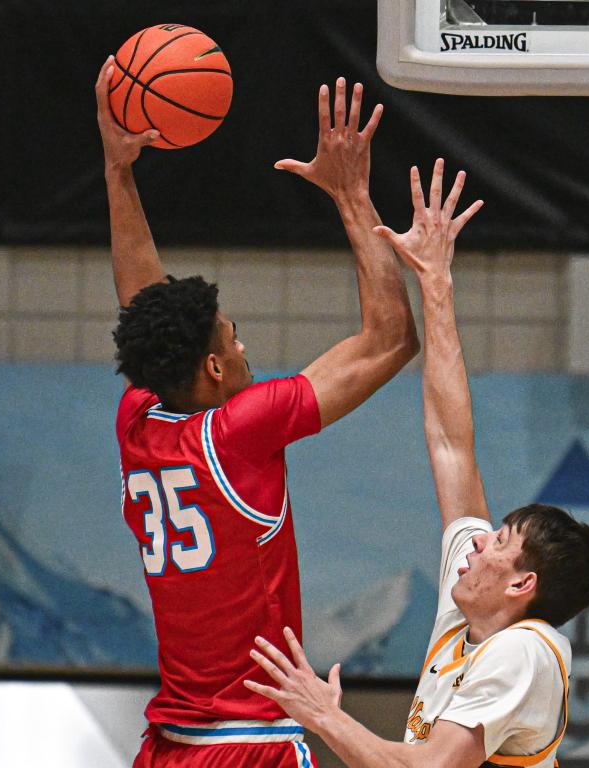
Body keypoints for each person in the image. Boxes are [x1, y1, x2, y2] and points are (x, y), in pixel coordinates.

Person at [95, 57, 419, 768]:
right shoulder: (238, 430)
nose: (245, 348)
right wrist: (353, 196)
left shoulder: (138, 422)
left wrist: (119, 173)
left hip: (171, 741)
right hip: (250, 742)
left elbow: (143, 307)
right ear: (213, 369)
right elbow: (392, 341)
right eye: (233, 338)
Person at [247, 159, 589, 768]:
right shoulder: (469, 602)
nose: (476, 543)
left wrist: (324, 715)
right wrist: (436, 282)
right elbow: (451, 441)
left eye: (498, 540)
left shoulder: (523, 650)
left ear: (522, 584)